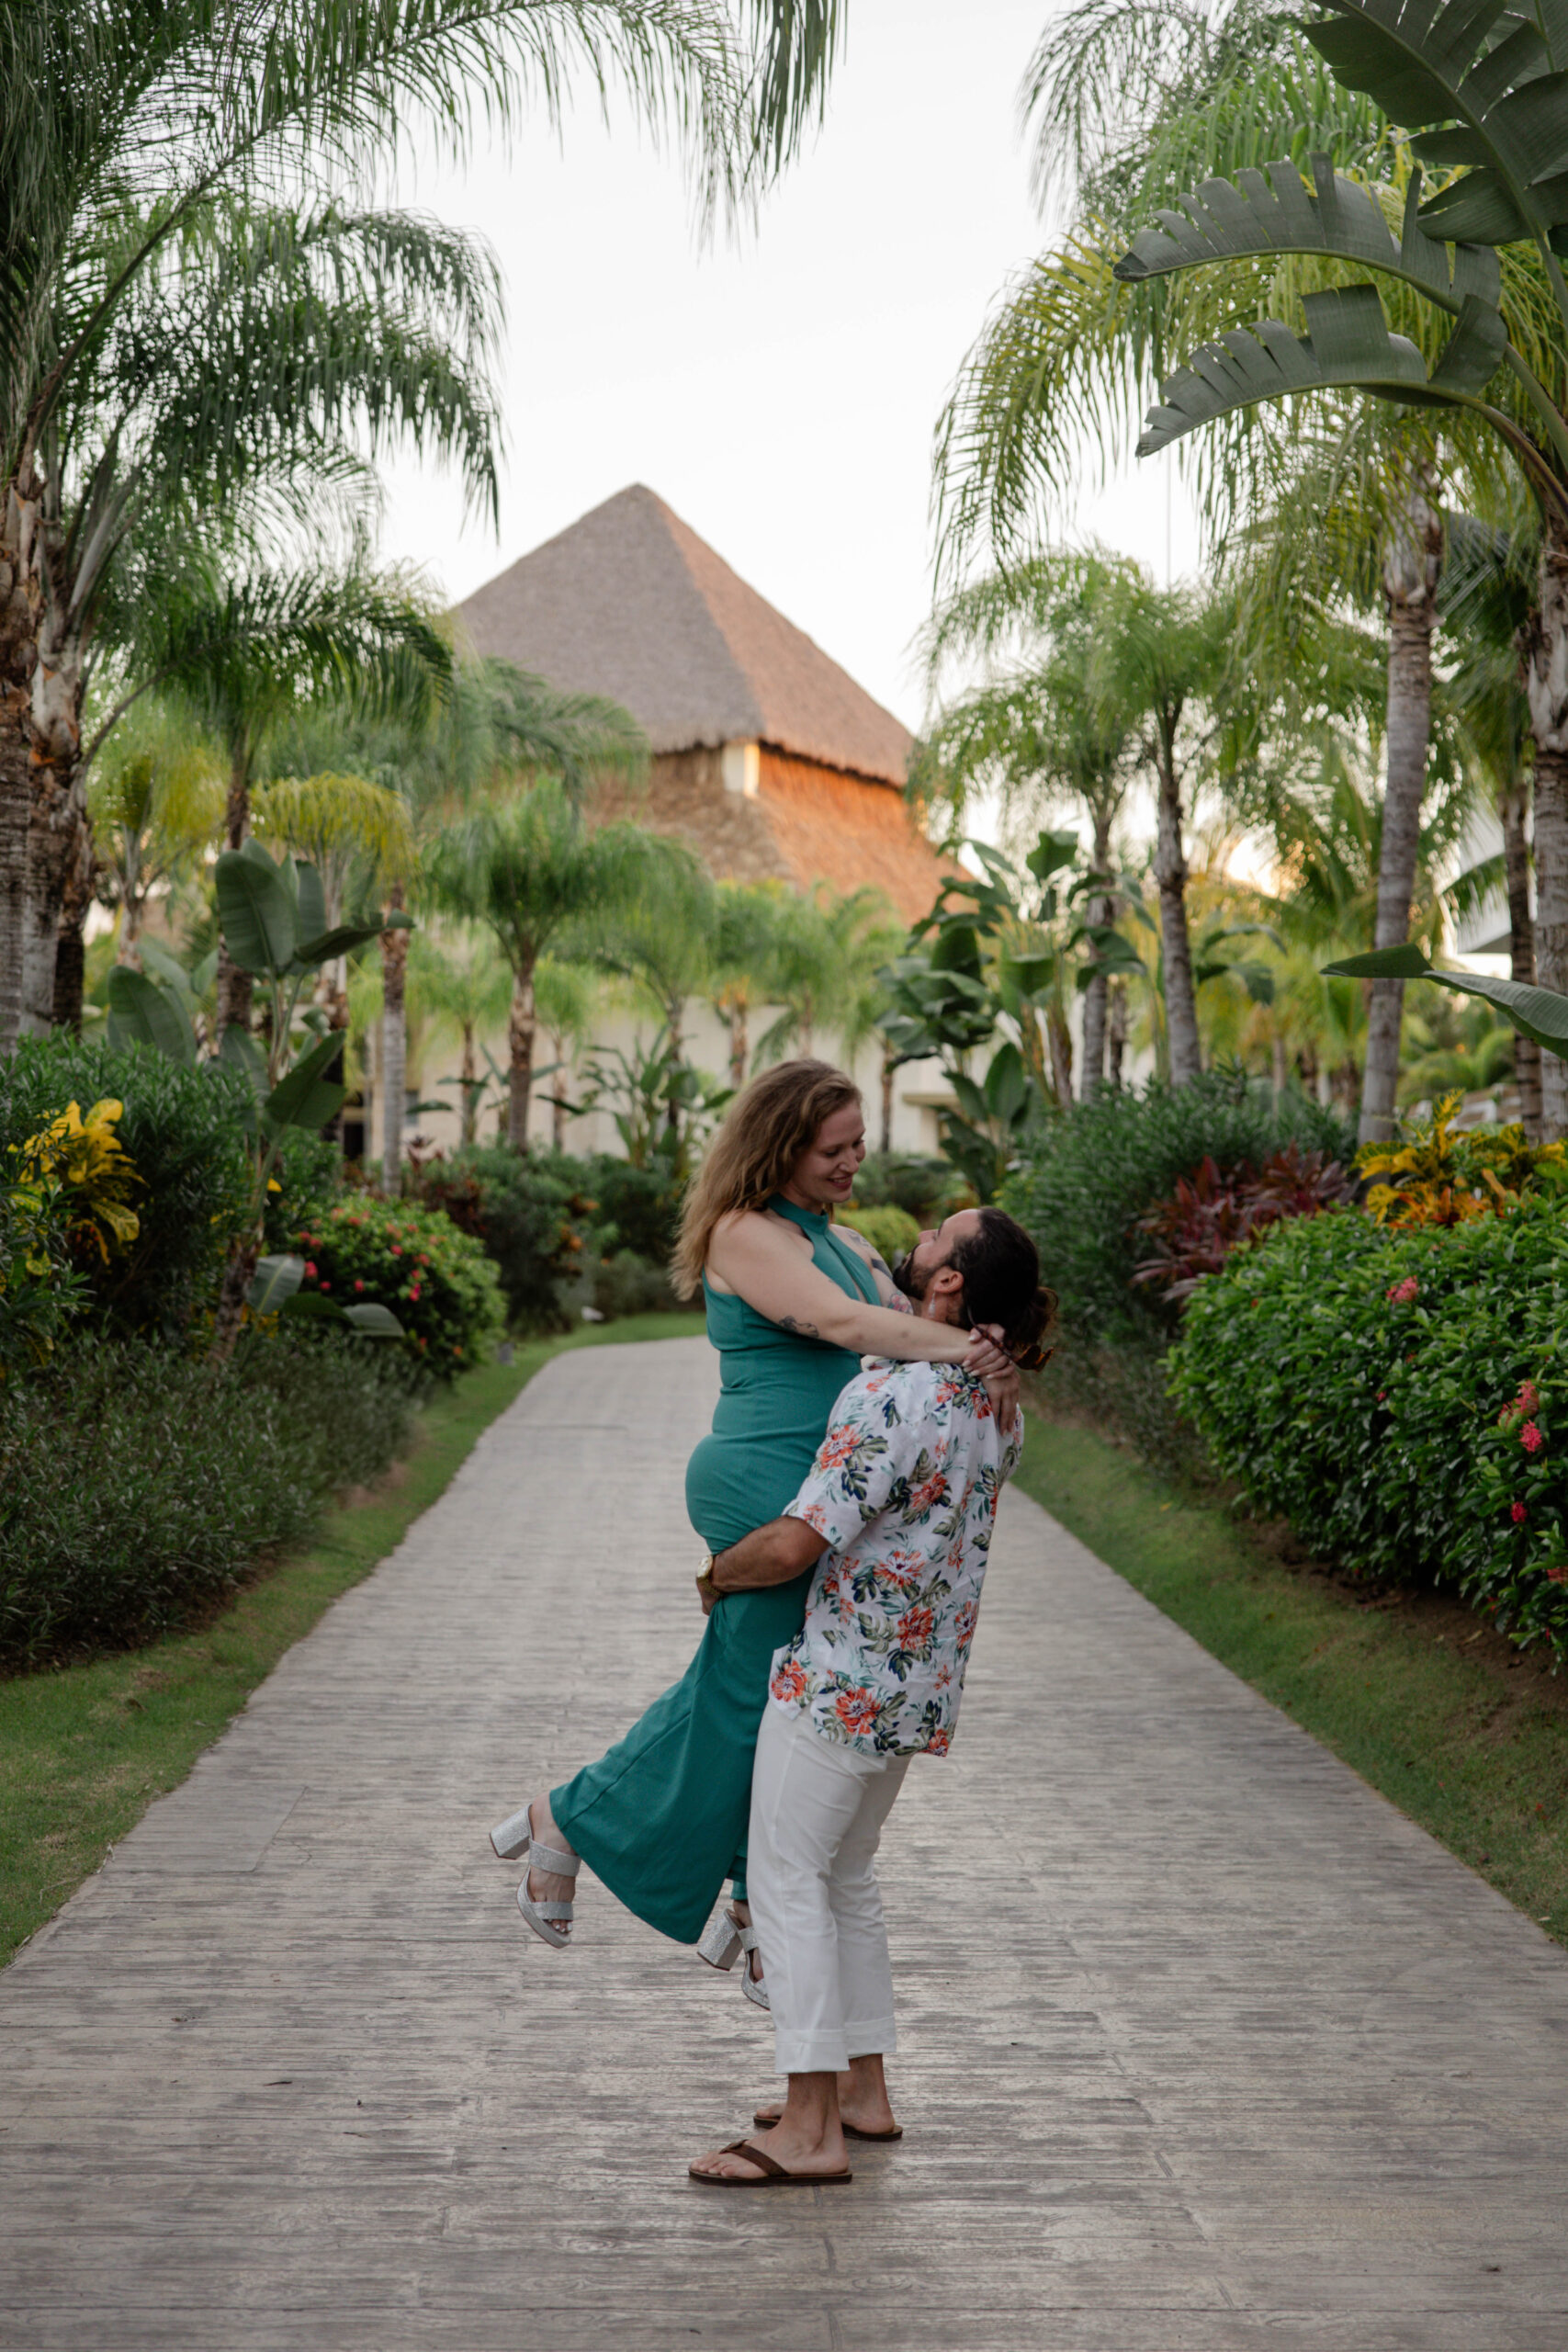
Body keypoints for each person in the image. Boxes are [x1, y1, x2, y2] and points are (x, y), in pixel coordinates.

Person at [488, 1059, 1015, 1962]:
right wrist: (966, 1350)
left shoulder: (837, 1238)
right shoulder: (745, 1234)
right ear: (781, 1144)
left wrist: (987, 1342)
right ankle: (587, 1827)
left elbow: (905, 1319)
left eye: (859, 1147)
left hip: (826, 1495)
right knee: (747, 1692)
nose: (853, 1163)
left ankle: (735, 1891)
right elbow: (850, 1328)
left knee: (769, 1692)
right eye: (833, 1149)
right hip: (764, 1482)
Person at [686, 1204, 1055, 2186]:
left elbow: (803, 1538)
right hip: (915, 1689)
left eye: (937, 1232)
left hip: (842, 1682)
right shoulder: (995, 1405)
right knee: (846, 1879)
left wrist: (722, 1571)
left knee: (788, 1880)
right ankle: (862, 2089)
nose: (920, 1235)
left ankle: (808, 2127)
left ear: (945, 1286)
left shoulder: (898, 1395)